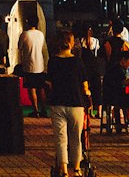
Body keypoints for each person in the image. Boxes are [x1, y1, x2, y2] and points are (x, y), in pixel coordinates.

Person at [45, 28, 90, 177]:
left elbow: (49, 83)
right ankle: (76, 169)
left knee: (60, 139)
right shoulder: (78, 61)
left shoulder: (53, 61)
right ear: (71, 43)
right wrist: (88, 95)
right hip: (76, 103)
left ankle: (63, 170)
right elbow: (85, 86)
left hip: (58, 103)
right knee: (76, 138)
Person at [18, 18, 48, 115]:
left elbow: (20, 47)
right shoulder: (40, 34)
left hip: (29, 64)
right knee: (41, 87)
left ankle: (35, 110)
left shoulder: (25, 34)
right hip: (40, 64)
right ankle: (43, 109)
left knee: (32, 88)